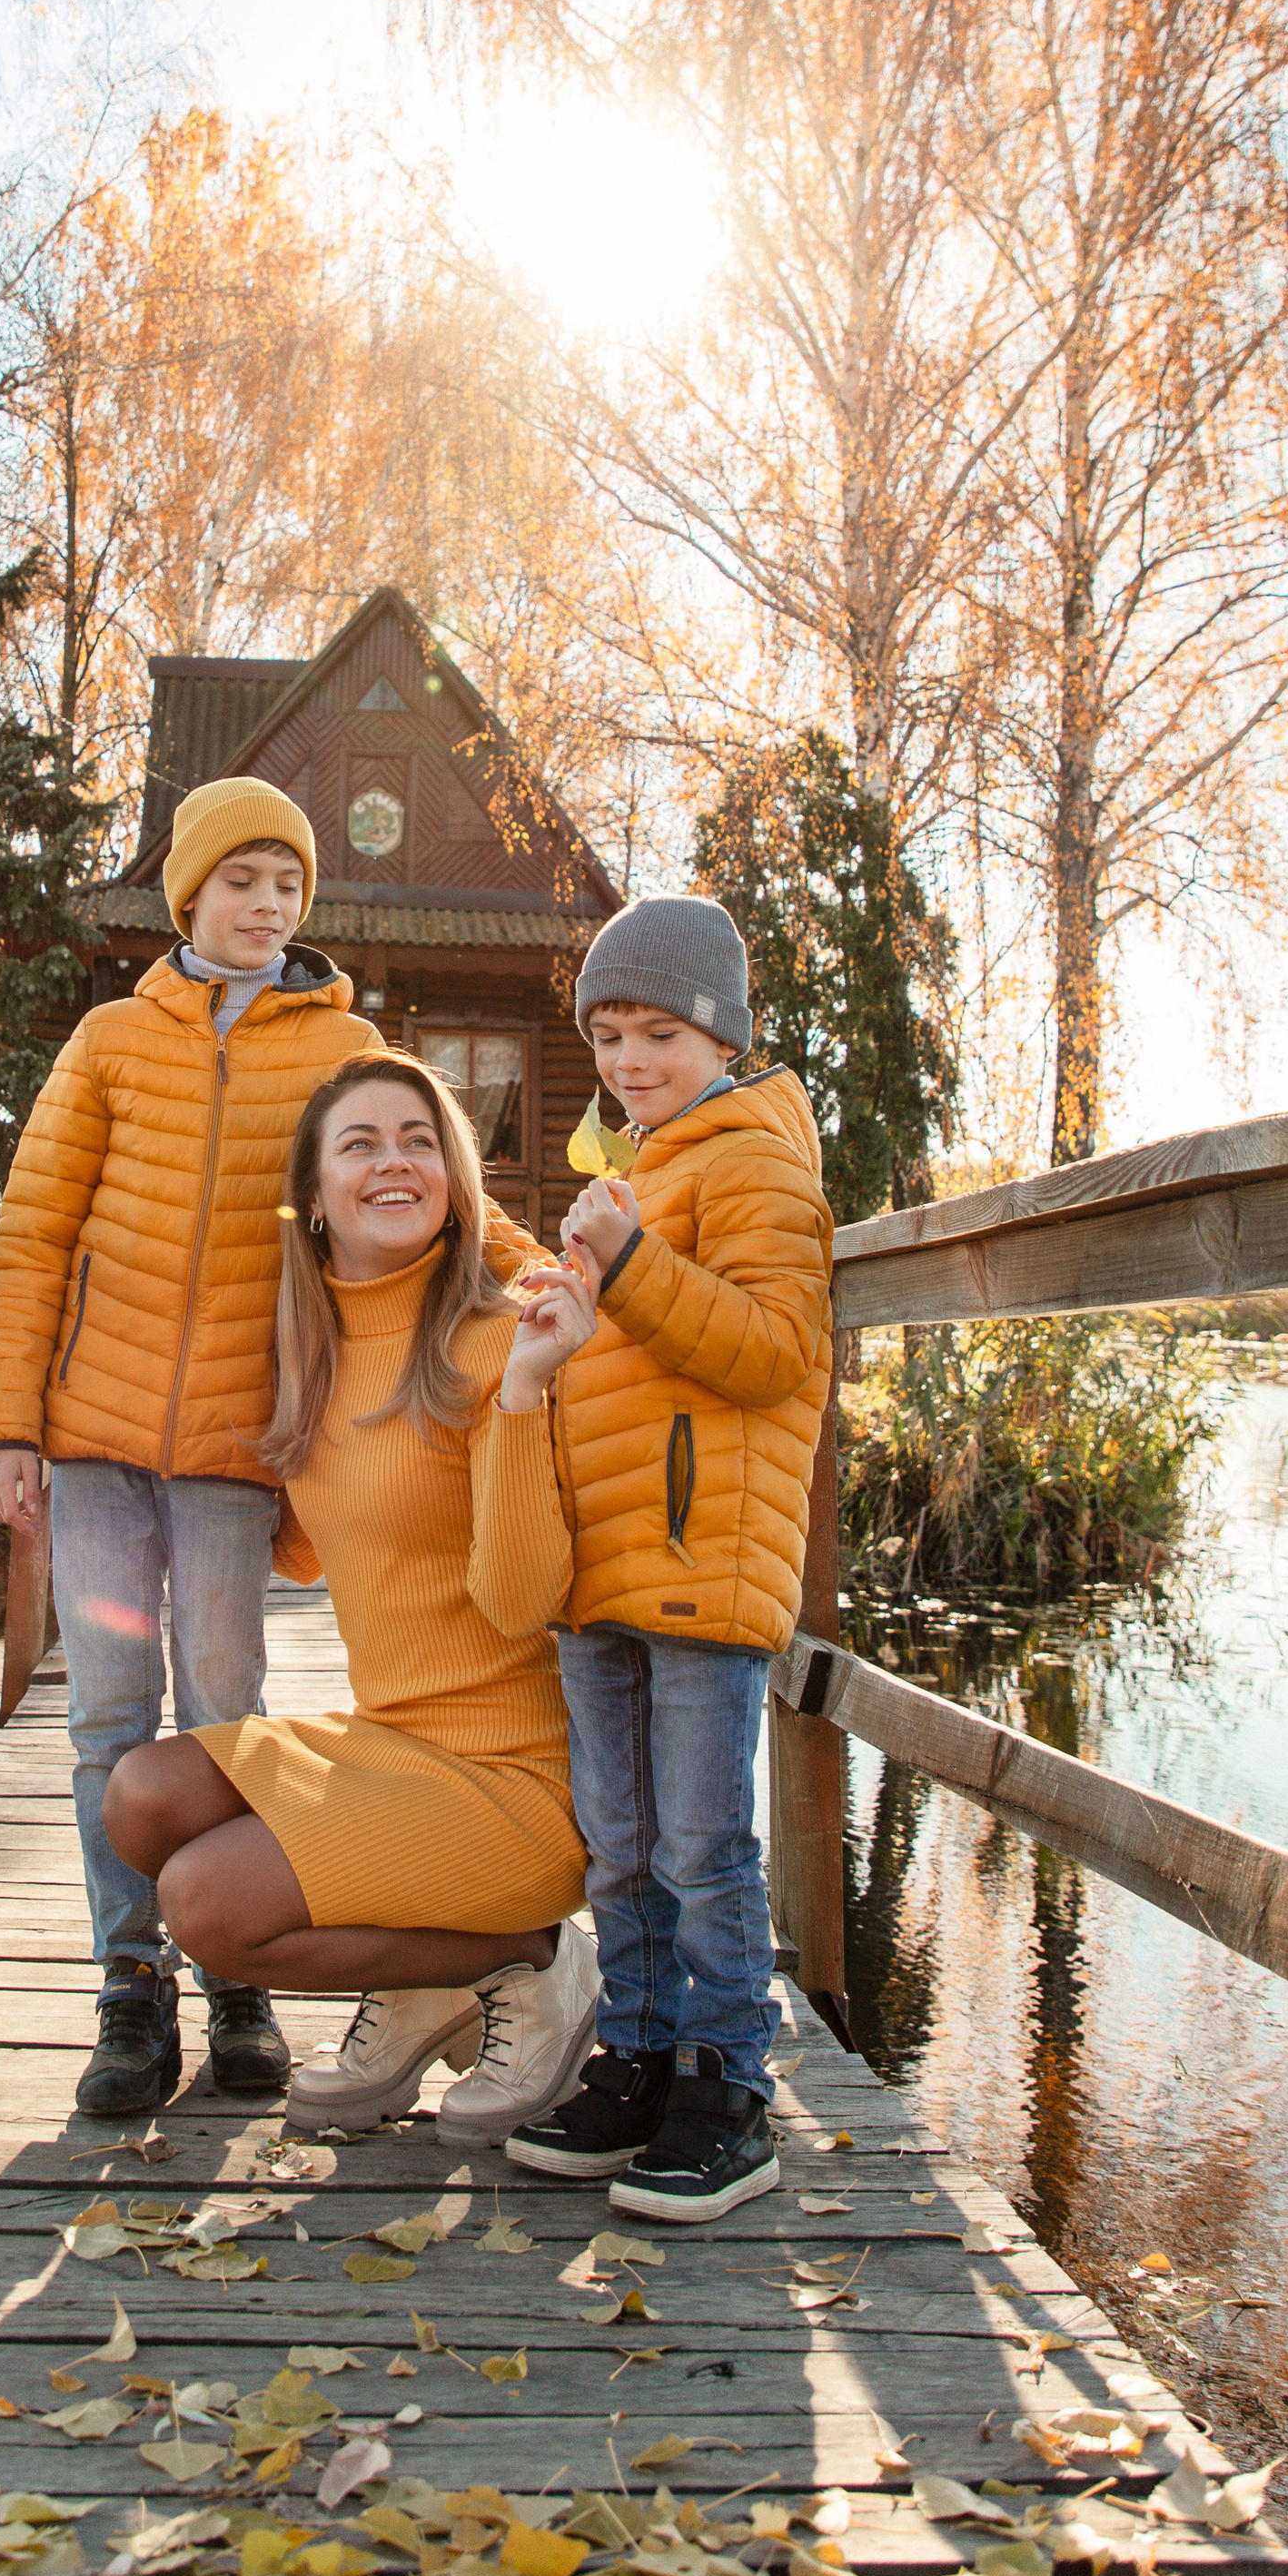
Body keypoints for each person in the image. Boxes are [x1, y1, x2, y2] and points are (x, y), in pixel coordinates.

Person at [0, 774, 391, 2118]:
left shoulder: (343, 1046)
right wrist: (7, 1425)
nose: (267, 908)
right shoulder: (107, 1042)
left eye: (290, 887)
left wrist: (534, 1274)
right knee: (106, 1717)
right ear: (189, 892)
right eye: (243, 881)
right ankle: (128, 1986)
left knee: (221, 1712)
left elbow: (408, 1179)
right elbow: (34, 1236)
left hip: (228, 1450)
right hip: (91, 1442)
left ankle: (234, 1976)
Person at [98, 1054, 604, 2146]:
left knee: (208, 1907)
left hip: (513, 1776)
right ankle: (424, 1981)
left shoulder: (495, 1339)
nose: (394, 1162)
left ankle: (528, 1956)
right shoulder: (311, 1346)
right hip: (391, 1740)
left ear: (457, 1180)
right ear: (314, 1198)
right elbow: (309, 1553)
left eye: (420, 1141)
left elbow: (522, 1604)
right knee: (141, 1796)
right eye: (360, 1145)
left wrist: (522, 1395)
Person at [500, 893, 833, 2222]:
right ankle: (638, 2058)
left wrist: (629, 1263)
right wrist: (576, 1306)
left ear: (722, 1038)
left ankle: (728, 2085)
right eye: (611, 1036)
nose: (632, 1061)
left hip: (703, 1556)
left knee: (703, 1844)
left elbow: (772, 1354)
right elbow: (637, 1348)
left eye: (660, 1035)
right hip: (605, 1563)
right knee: (622, 1844)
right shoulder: (641, 1164)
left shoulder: (755, 1162)